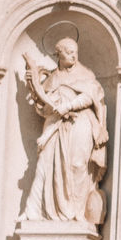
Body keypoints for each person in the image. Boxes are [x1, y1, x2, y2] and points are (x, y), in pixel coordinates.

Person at [20, 38, 109, 225]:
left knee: (77, 165)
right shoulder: (52, 79)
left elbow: (90, 97)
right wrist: (36, 91)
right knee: (44, 166)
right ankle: (33, 211)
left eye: (75, 51)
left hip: (79, 123)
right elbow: (43, 108)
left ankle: (77, 213)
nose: (73, 55)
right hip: (54, 126)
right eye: (68, 52)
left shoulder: (85, 74)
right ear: (57, 53)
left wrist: (68, 105)